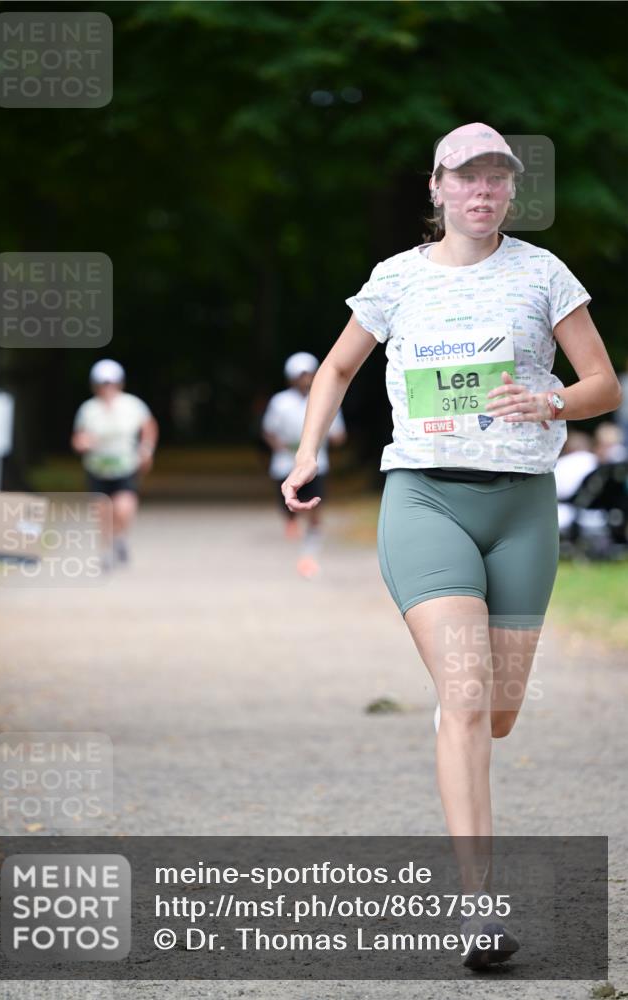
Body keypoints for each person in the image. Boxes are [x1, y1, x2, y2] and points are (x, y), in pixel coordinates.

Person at [280, 123, 621, 969]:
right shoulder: (395, 279)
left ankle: (457, 713)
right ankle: (478, 909)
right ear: (436, 188)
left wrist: (549, 402)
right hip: (425, 498)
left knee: (495, 712)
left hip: (522, 507)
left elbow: (602, 385)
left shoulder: (543, 275)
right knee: (468, 698)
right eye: (466, 178)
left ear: (510, 191)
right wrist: (307, 452)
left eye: (496, 178)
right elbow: (335, 369)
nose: (482, 191)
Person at [262, 352, 346, 578]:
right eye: (301, 375)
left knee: (315, 509)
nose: (305, 379)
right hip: (285, 462)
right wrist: (280, 447)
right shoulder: (280, 402)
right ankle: (291, 521)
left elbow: (338, 435)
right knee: (287, 503)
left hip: (317, 463)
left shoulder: (326, 400)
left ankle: (309, 555)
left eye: (309, 374)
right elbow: (269, 430)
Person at [71, 359, 158, 568]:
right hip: (97, 468)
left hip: (125, 466)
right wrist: (82, 443)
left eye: (111, 383)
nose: (107, 388)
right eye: (103, 383)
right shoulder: (88, 409)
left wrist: (146, 449)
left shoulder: (132, 405)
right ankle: (107, 550)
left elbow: (149, 426)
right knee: (103, 512)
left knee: (123, 508)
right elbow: (78, 437)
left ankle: (120, 537)